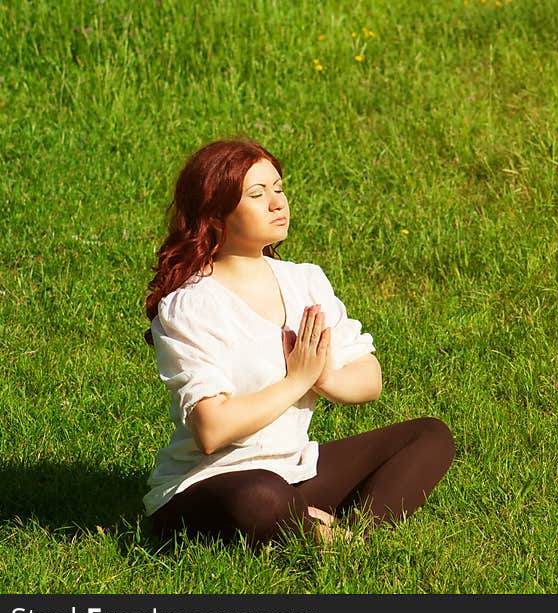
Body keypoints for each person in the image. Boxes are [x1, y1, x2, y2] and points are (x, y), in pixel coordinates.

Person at [142, 138, 455, 547]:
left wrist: (323, 376)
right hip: (210, 486)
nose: (277, 203)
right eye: (257, 194)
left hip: (294, 470)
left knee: (430, 436)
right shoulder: (191, 303)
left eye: (278, 187)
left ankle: (351, 537)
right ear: (215, 214)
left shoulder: (304, 280)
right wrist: (297, 380)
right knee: (262, 496)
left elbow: (370, 377)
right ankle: (318, 533)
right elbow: (211, 429)